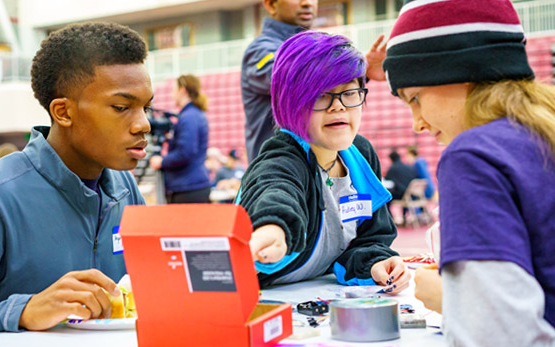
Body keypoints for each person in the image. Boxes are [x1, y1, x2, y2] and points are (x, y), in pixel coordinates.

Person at [0, 22, 151, 340]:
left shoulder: (125, 188)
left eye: (146, 107)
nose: (143, 124)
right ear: (63, 112)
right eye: (122, 108)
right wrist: (22, 311)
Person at [383, 0, 555, 345]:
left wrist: (453, 300)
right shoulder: (540, 135)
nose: (417, 123)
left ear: (458, 71)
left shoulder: (474, 156)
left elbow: (497, 334)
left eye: (415, 97)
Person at [237, 31, 408, 293]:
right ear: (291, 102)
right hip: (260, 298)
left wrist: (376, 264)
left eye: (350, 93)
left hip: (318, 297)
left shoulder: (360, 154)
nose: (338, 106)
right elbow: (275, 189)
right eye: (321, 95)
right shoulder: (283, 156)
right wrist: (272, 226)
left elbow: (370, 239)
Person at [241, 0, 389, 162]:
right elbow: (294, 79)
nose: (307, 3)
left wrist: (361, 71)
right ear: (271, 4)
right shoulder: (261, 50)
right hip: (277, 168)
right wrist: (355, 69)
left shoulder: (315, 46)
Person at [149, 74, 210, 203]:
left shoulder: (189, 117)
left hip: (187, 187)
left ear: (182, 90)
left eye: (174, 90)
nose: (172, 95)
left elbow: (185, 152)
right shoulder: (193, 114)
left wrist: (161, 161)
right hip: (191, 185)